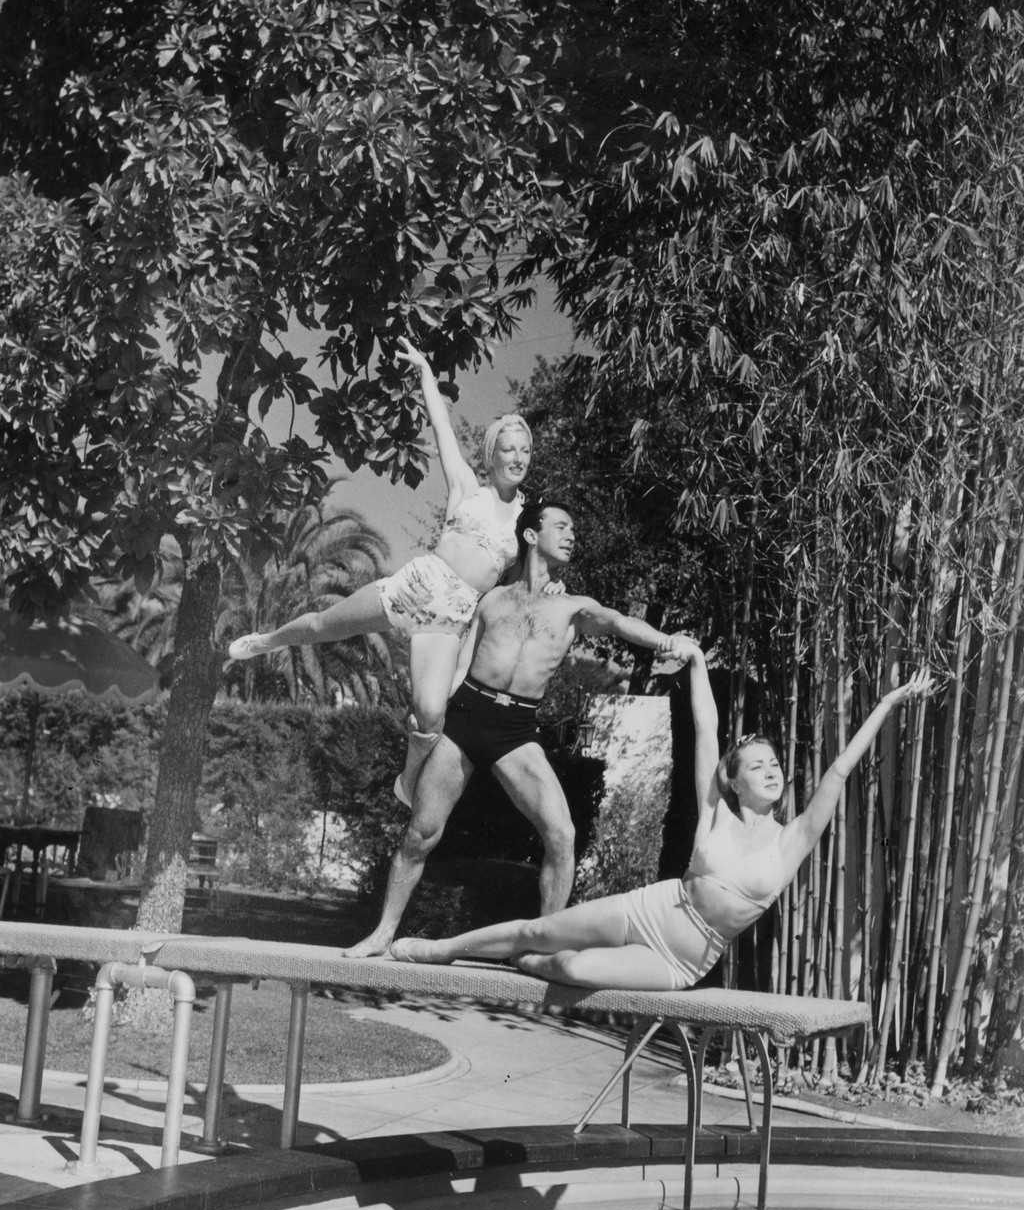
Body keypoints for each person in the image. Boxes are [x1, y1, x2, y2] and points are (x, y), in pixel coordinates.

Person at [389, 647, 935, 985]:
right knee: (538, 928)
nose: (772, 772)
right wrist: (697, 663)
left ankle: (529, 966)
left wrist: (886, 704)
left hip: (682, 960)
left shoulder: (792, 838)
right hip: (649, 908)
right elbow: (705, 729)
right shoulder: (715, 811)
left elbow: (838, 771)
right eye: (758, 765)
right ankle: (440, 950)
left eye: (776, 766)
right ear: (734, 778)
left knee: (568, 967)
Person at [345, 499, 698, 957]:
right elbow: (461, 660)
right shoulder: (491, 598)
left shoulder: (574, 608)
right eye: (561, 526)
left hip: (517, 730)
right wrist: (432, 715)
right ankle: (382, 934)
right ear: (531, 535)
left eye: (573, 528)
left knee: (562, 835)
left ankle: (545, 947)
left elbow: (620, 622)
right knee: (421, 834)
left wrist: (667, 641)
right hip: (466, 717)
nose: (571, 535)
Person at [228, 339, 534, 805]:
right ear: (492, 455)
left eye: (524, 450)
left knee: (431, 715)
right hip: (415, 585)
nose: (516, 458)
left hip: (449, 619)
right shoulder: (468, 488)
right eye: (508, 449)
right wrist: (426, 373)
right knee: (321, 626)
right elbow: (441, 427)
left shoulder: (526, 521)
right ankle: (267, 641)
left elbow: (513, 591)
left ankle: (407, 780)